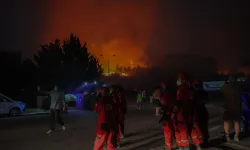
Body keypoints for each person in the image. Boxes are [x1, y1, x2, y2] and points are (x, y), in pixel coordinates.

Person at [221, 75, 242, 141]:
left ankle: (227, 136)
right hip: (237, 108)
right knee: (237, 122)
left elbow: (221, 92)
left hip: (227, 108)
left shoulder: (225, 87)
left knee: (226, 121)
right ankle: (237, 136)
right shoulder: (239, 87)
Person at [173, 73, 191, 150]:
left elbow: (179, 100)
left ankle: (184, 146)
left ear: (182, 80)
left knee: (181, 128)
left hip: (181, 111)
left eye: (179, 79)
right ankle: (183, 145)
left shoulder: (181, 89)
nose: (178, 80)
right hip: (185, 110)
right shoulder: (187, 87)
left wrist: (174, 110)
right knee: (184, 127)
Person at [192, 80, 209, 146]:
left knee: (198, 128)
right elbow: (206, 101)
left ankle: (200, 142)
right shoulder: (204, 92)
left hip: (198, 112)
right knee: (204, 127)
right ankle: (205, 141)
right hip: (203, 111)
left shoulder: (195, 93)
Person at [158, 85, 175, 150]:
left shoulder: (165, 96)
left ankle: (169, 147)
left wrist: (161, 112)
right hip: (171, 116)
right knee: (171, 131)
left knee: (167, 132)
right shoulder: (170, 95)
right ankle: (172, 145)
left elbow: (165, 107)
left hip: (167, 116)